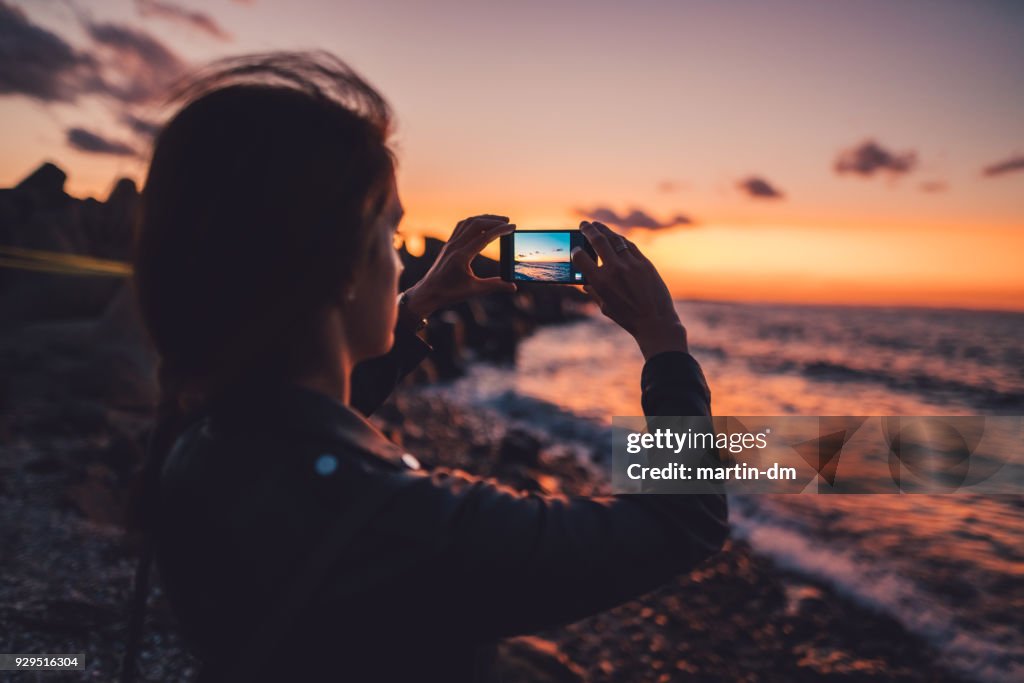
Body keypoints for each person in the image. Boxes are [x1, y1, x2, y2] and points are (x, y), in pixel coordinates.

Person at [129, 51, 728, 683]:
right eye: (392, 239)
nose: (402, 261)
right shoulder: (392, 522)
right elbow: (680, 522)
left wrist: (418, 303)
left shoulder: (210, 431)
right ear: (337, 271)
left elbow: (301, 410)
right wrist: (665, 346)